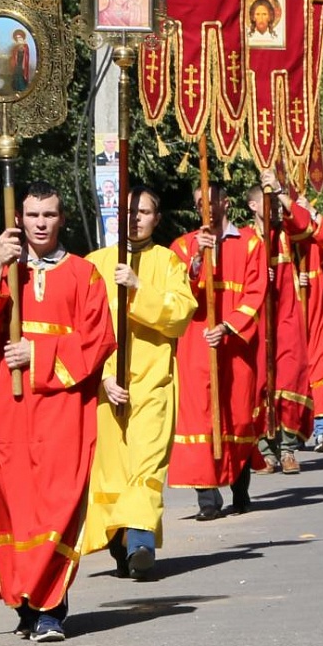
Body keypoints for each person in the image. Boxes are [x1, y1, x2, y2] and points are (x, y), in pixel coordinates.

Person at [0, 181, 116, 642]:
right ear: (18, 219)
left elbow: (98, 340)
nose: (40, 224)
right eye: (32, 215)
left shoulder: (84, 274)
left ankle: (52, 608)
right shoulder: (1, 268)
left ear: (61, 219)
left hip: (62, 406)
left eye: (49, 215)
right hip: (9, 404)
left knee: (57, 502)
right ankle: (25, 602)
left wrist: (38, 355)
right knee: (14, 501)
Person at [82, 187, 197, 580]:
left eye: (144, 212)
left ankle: (141, 538)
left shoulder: (169, 263)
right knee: (112, 469)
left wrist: (137, 287)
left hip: (154, 382)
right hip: (106, 384)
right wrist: (100, 376)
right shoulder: (94, 263)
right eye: (129, 211)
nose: (135, 218)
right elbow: (81, 328)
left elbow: (180, 315)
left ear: (156, 218)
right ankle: (121, 542)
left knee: (147, 464)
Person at [169, 183, 267, 518]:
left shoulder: (251, 243)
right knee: (199, 416)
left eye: (210, 202)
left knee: (236, 414)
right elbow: (178, 290)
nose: (205, 209)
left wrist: (229, 326)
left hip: (235, 342)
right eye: (199, 204)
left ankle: (241, 489)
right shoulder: (183, 245)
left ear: (225, 203)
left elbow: (255, 293)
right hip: (197, 342)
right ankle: (207, 499)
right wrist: (199, 257)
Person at [246, 182, 311, 475]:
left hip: (286, 319)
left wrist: (280, 190)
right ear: (253, 206)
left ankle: (288, 449)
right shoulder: (246, 239)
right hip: (256, 322)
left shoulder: (286, 234)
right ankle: (263, 451)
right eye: (268, 203)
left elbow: (306, 224)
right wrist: (260, 272)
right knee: (257, 383)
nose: (274, 209)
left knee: (288, 378)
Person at [276, 181, 323, 451]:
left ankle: (322, 428)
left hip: (315, 317)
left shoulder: (316, 243)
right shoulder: (277, 239)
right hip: (287, 318)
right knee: (291, 373)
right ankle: (294, 431)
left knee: (320, 367)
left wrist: (313, 215)